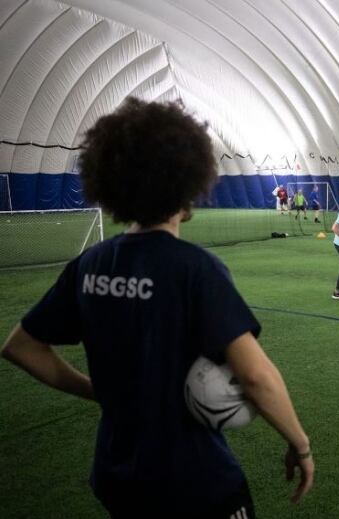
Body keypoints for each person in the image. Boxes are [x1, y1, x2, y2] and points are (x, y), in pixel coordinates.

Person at [0, 98, 314, 518]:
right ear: (186, 180)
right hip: (194, 480)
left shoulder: (91, 265)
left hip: (117, 475)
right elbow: (255, 376)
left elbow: (20, 346)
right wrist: (300, 443)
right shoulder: (195, 269)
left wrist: (97, 390)